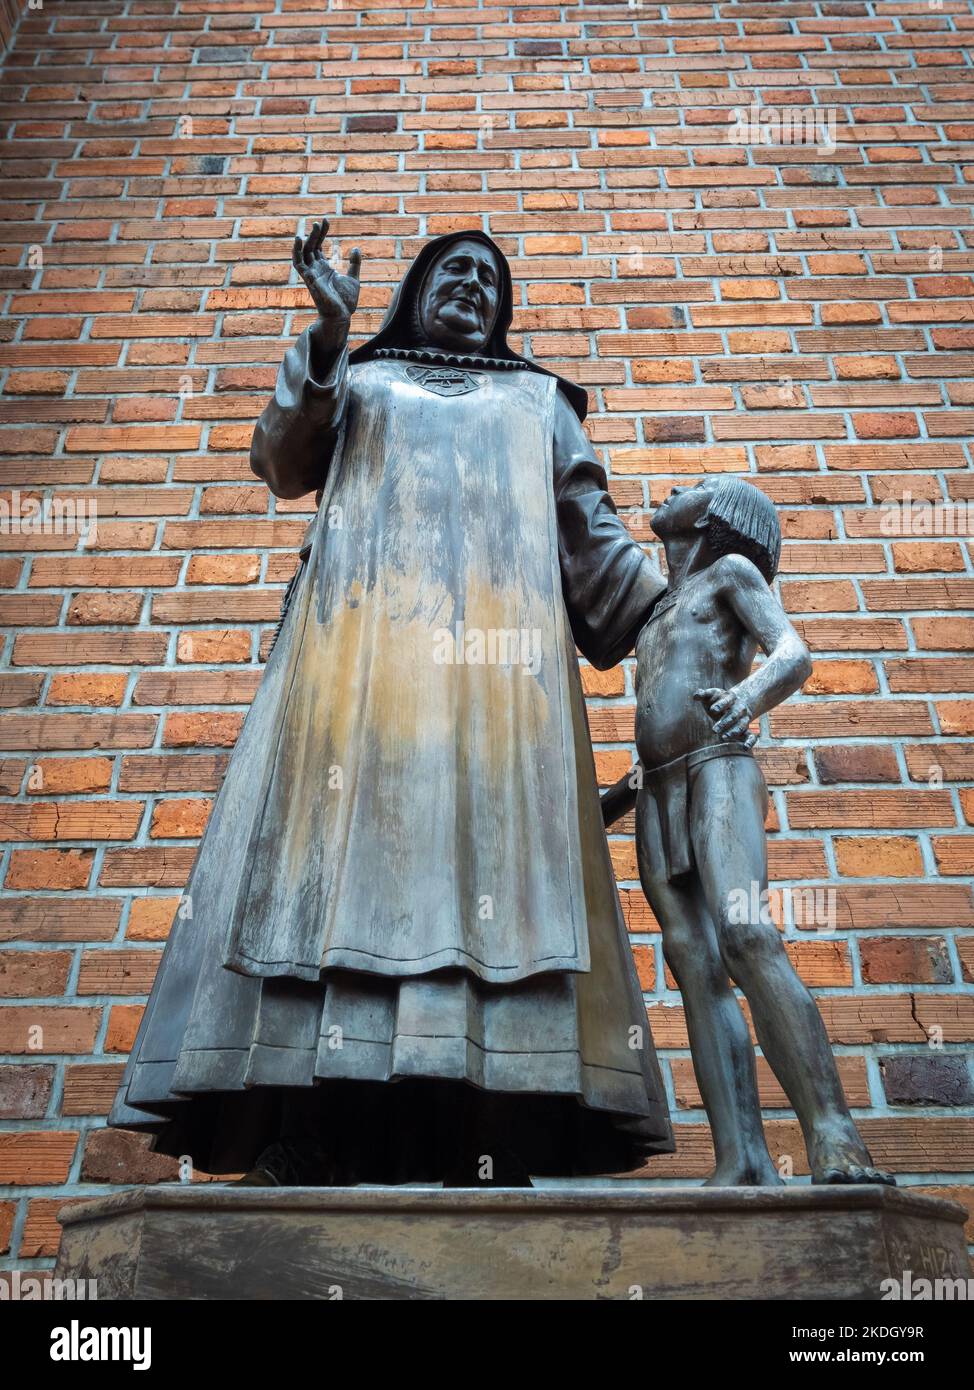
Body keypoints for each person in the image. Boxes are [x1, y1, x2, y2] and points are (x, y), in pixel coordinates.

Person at [109, 223, 675, 1185]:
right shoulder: (358, 382)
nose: (471, 284)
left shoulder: (538, 402)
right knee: (319, 880)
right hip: (348, 672)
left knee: (493, 897)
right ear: (412, 291)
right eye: (452, 269)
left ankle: (476, 1136)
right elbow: (281, 461)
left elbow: (597, 543)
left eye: (491, 279)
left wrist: (680, 617)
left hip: (501, 698)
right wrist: (328, 340)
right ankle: (310, 1126)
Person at [625, 475, 894, 1186]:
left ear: (719, 513)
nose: (679, 485)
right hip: (657, 792)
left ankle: (835, 1138)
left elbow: (792, 654)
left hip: (718, 766)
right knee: (695, 968)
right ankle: (741, 1156)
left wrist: (746, 698)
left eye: (699, 483)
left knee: (746, 935)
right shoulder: (658, 608)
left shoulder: (730, 573)